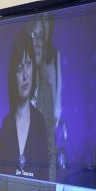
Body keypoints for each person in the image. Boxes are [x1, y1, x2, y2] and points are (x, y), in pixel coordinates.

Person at [0, 29, 49, 180]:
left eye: (29, 64)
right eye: (19, 68)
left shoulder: (40, 122)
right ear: (13, 76)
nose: (25, 75)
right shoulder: (6, 124)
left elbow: (45, 181)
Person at [27, 15, 57, 179]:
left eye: (41, 36)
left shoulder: (47, 90)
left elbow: (51, 151)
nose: (39, 42)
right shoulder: (11, 89)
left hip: (39, 183)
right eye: (33, 36)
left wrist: (50, 187)